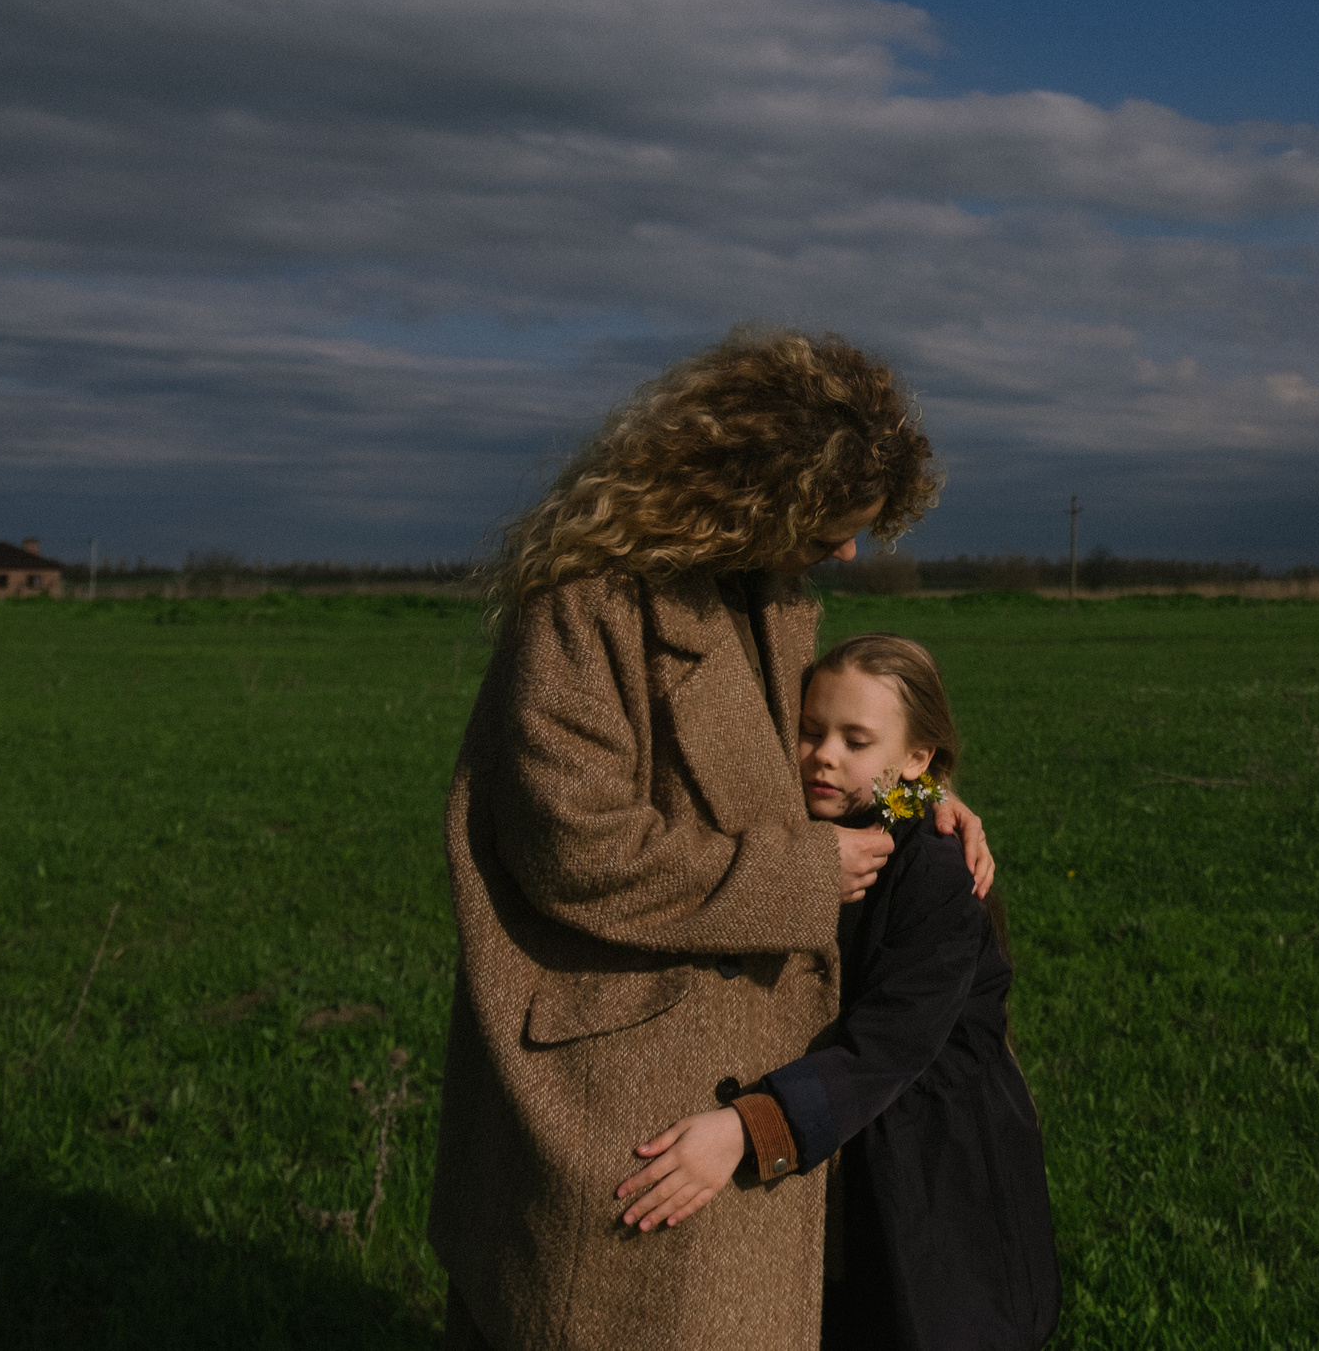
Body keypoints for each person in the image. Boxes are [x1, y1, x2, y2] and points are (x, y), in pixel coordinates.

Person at [430, 330, 994, 1351]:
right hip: (620, 1068)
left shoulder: (772, 597)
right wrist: (802, 878)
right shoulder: (583, 607)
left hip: (749, 1067)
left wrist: (921, 805)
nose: (848, 554)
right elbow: (575, 847)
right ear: (759, 493)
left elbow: (814, 771)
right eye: (837, 524)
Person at [612, 633, 1059, 1351]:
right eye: (810, 730)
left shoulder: (936, 871)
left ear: (918, 757)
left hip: (936, 1173)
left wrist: (745, 1130)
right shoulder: (802, 830)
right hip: (848, 1161)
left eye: (856, 739)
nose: (824, 754)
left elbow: (890, 1045)